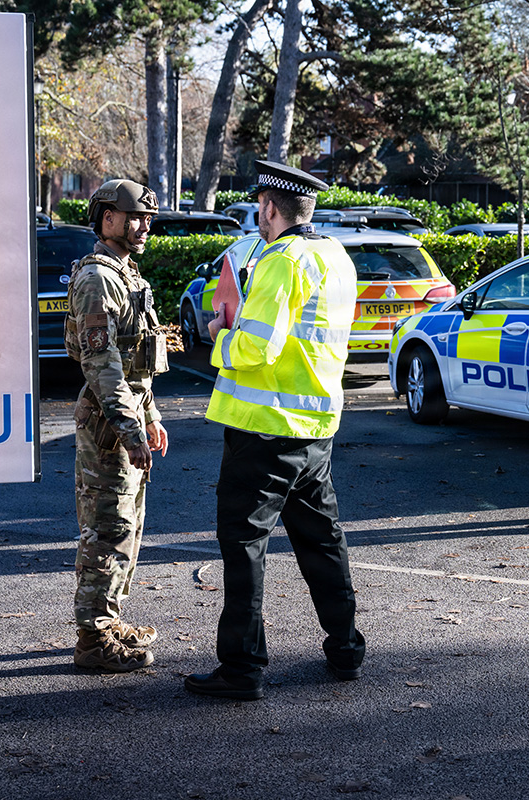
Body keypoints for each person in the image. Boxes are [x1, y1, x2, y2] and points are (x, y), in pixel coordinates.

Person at [185, 161, 363, 702]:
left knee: (243, 547)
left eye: (258, 209)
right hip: (315, 428)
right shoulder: (335, 255)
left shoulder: (282, 261)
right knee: (322, 540)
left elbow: (255, 346)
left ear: (268, 208)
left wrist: (218, 335)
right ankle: (346, 646)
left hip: (262, 431)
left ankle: (241, 668)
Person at [65, 179, 169, 672]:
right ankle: (93, 637)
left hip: (125, 416)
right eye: (135, 217)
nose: (144, 225)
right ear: (107, 217)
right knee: (106, 530)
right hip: (108, 427)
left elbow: (136, 362)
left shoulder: (127, 274)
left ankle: (108, 619)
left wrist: (150, 417)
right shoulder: (98, 279)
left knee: (127, 527)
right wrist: (130, 430)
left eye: (148, 217)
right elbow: (101, 364)